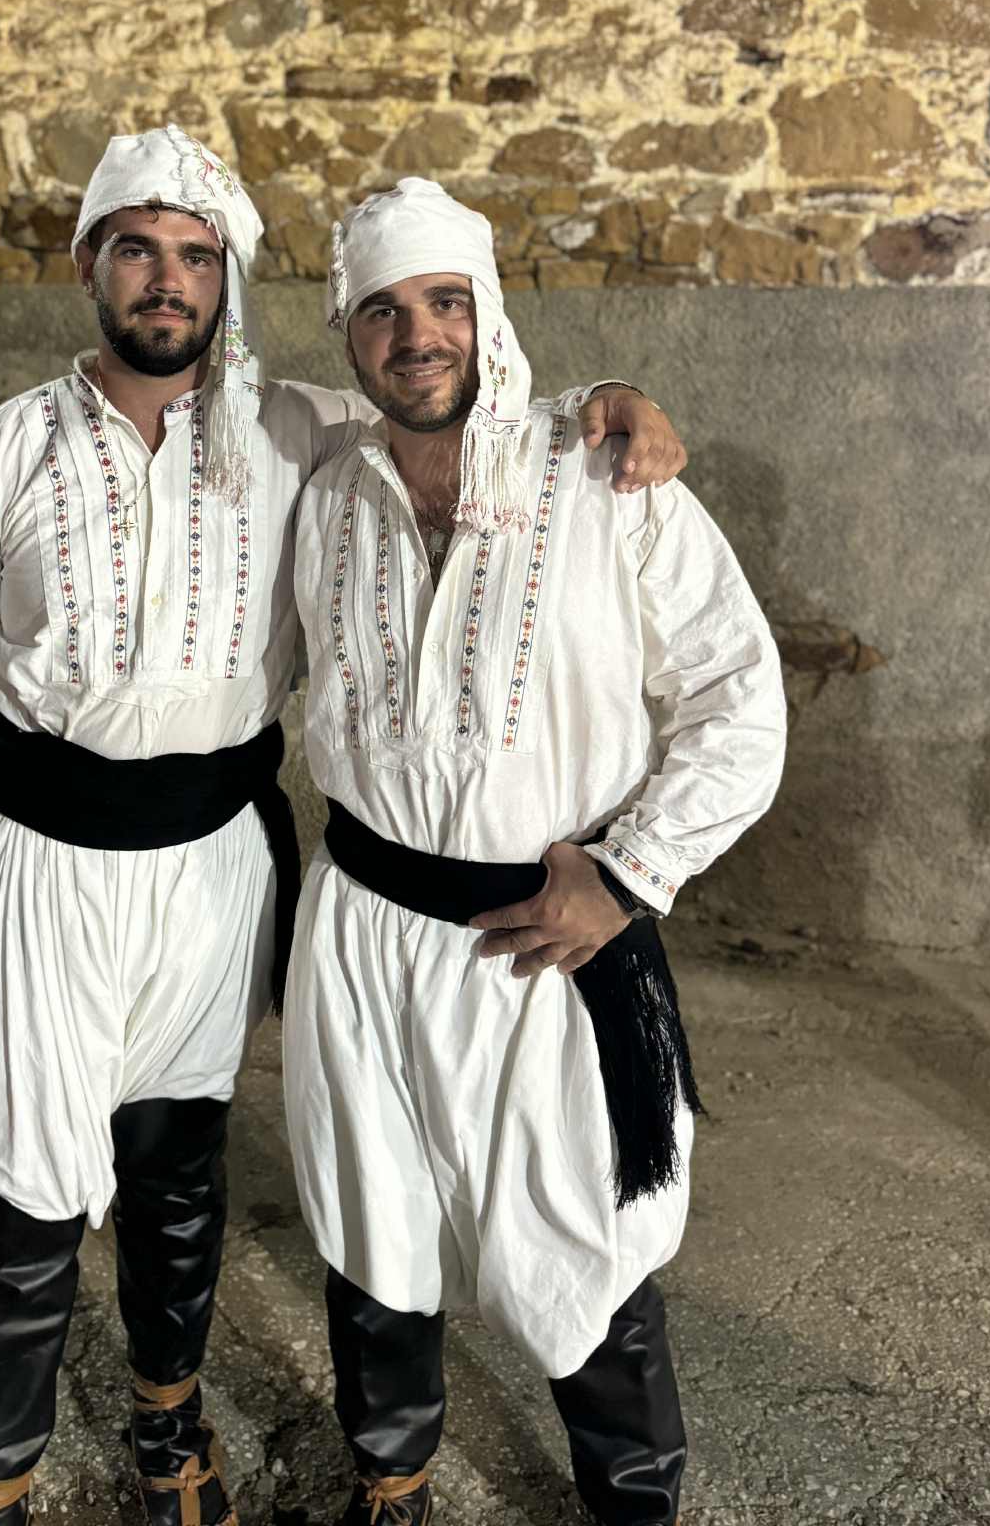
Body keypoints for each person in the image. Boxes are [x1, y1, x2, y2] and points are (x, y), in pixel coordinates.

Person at [0, 128, 686, 1526]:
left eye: (196, 257)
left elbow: (447, 396)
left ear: (229, 283)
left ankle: (168, 1434)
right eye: (137, 249)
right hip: (39, 864)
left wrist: (606, 399)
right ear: (88, 265)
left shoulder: (290, 431)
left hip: (211, 868)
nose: (167, 280)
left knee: (179, 1164)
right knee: (25, 1193)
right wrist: (34, 831)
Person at [286, 178, 787, 1526]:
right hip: (365, 934)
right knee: (374, 1226)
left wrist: (629, 877)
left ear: (489, 312)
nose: (418, 336)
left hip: (547, 947)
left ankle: (632, 1500)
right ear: (347, 336)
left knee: (584, 1237)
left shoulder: (606, 477)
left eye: (446, 302)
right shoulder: (327, 501)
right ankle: (391, 1480)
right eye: (383, 311)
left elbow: (741, 699)